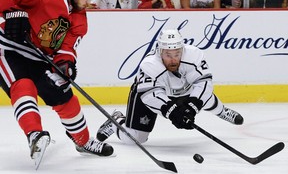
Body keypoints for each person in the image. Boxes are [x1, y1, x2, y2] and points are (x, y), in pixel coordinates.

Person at [0, 0, 113, 167]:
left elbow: (67, 47)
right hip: (7, 48)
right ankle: (34, 135)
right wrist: (13, 13)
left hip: (37, 55)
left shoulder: (79, 20)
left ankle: (83, 141)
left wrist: (66, 63)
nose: (90, 1)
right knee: (23, 86)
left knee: (62, 93)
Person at [96, 29, 244, 145]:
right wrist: (172, 112)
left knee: (204, 98)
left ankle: (221, 110)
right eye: (168, 55)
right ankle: (116, 121)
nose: (173, 60)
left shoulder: (194, 55)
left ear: (182, 50)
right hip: (149, 94)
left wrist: (192, 106)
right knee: (135, 139)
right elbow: (150, 96)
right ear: (160, 51)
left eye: (177, 54)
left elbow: (203, 84)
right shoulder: (149, 65)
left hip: (183, 89)